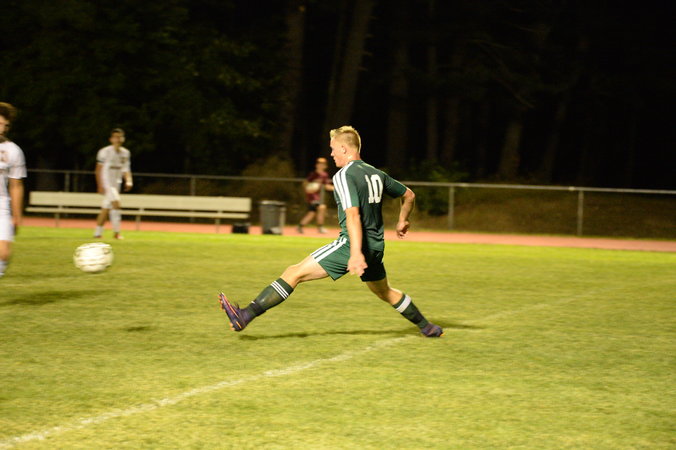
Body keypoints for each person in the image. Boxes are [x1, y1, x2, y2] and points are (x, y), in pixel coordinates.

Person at [219, 125, 443, 337]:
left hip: (352, 245)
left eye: (333, 148)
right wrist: (403, 220)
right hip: (376, 247)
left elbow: (353, 215)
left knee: (294, 273)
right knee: (385, 292)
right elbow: (409, 195)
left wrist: (355, 253)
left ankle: (244, 316)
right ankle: (427, 327)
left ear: (344, 148)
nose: (331, 154)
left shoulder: (344, 175)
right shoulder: (376, 173)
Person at [0, 102, 26, 279]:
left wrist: (17, 215)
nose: (1, 128)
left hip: (1, 205)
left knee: (4, 253)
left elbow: (16, 185)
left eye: (5, 125)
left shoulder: (13, 151)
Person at [94, 128, 132, 239]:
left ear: (123, 139)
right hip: (107, 183)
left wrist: (129, 180)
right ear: (111, 139)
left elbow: (126, 169)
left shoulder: (125, 153)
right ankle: (117, 232)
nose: (118, 139)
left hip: (117, 183)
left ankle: (97, 233)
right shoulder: (104, 152)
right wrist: (100, 185)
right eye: (115, 137)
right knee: (116, 204)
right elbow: (98, 169)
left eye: (120, 137)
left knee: (106, 208)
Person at [297, 157, 334, 234]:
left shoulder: (324, 175)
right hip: (311, 197)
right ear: (316, 165)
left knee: (312, 213)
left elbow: (326, 186)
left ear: (325, 166)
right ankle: (320, 227)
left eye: (323, 164)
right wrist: (308, 189)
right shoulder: (313, 174)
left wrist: (336, 188)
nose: (321, 165)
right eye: (319, 164)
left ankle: (300, 226)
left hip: (317, 197)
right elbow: (305, 183)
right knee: (322, 207)